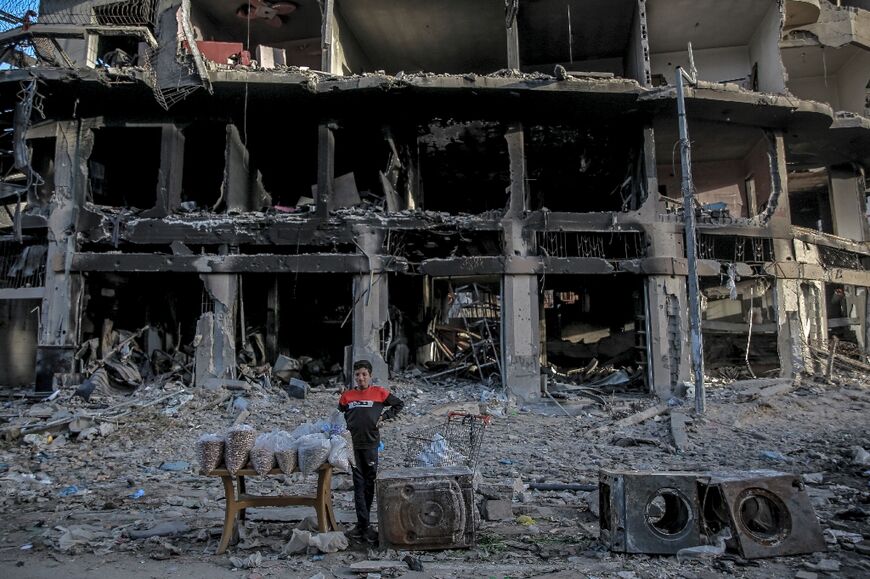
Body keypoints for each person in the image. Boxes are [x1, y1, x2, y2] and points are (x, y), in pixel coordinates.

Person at [338, 359, 404, 542]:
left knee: (369, 483)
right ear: (354, 377)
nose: (361, 378)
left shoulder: (379, 393)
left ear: (370, 376)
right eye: (357, 375)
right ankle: (363, 525)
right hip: (353, 446)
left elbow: (399, 404)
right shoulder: (347, 396)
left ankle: (364, 525)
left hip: (371, 445)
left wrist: (384, 417)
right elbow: (340, 412)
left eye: (364, 374)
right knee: (358, 484)